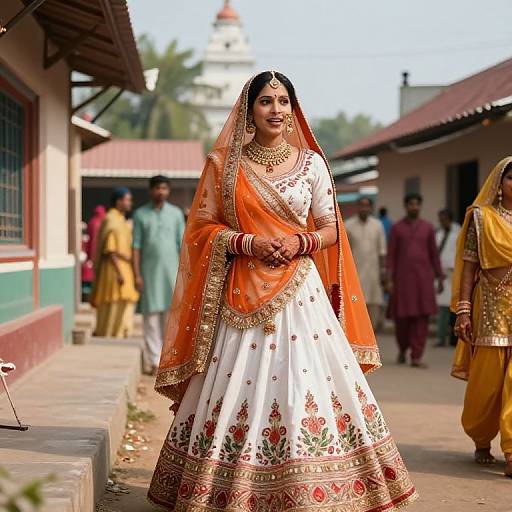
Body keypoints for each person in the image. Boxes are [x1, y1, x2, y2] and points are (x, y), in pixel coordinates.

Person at [148, 71, 417, 511]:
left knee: (303, 383)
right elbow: (201, 229)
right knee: (238, 386)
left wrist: (300, 241)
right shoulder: (224, 166)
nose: (276, 110)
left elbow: (331, 228)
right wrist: (247, 242)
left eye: (284, 101)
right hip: (240, 295)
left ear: (294, 109)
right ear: (249, 111)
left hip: (301, 295)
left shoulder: (312, 164)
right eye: (266, 102)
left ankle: (317, 486)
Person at [452, 157, 512, 477]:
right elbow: (469, 266)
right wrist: (463, 310)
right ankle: (481, 438)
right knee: (487, 383)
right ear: (499, 184)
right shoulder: (481, 218)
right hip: (490, 304)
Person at [132, 175, 185, 375]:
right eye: (157, 188)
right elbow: (136, 247)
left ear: (168, 191)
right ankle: (154, 361)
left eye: (164, 188)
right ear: (151, 190)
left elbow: (183, 245)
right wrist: (137, 274)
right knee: (151, 319)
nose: (160, 192)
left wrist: (184, 275)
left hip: (172, 273)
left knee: (170, 319)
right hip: (148, 273)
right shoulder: (140, 215)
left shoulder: (176, 214)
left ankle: (167, 362)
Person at [387, 193, 444, 368]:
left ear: (420, 206)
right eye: (411, 204)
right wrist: (389, 279)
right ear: (406, 206)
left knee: (421, 318)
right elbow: (391, 256)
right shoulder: (397, 228)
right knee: (402, 320)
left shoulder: (427, 228)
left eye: (417, 204)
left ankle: (416, 355)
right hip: (402, 281)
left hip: (423, 281)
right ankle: (403, 349)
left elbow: (434, 254)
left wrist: (440, 276)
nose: (414, 207)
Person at [90, 187, 139, 337]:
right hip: (113, 267)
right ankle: (108, 333)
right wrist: (118, 271)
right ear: (118, 201)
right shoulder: (110, 218)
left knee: (124, 300)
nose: (130, 203)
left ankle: (120, 332)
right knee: (113, 301)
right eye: (127, 199)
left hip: (125, 265)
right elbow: (109, 248)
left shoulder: (121, 219)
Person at [345, 197, 387, 331]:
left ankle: (371, 337)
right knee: (355, 305)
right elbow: (345, 252)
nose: (364, 208)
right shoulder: (348, 225)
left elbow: (382, 251)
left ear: (371, 208)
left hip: (373, 273)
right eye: (361, 205)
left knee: (373, 306)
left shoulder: (377, 225)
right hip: (354, 273)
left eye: (367, 206)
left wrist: (383, 271)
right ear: (357, 207)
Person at [435, 209, 460, 347]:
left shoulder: (458, 234)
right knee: (442, 308)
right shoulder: (438, 235)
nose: (442, 221)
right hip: (442, 275)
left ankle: (453, 339)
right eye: (441, 219)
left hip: (454, 274)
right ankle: (440, 338)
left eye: (444, 219)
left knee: (454, 308)